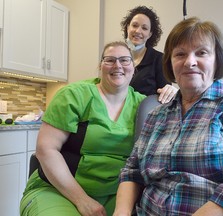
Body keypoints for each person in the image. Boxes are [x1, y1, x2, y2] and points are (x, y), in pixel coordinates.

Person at [113, 17, 223, 215]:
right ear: (170, 63)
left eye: (201, 53)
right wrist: (121, 213)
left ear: (217, 59)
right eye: (180, 54)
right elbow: (132, 172)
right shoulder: (156, 116)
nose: (190, 62)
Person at [20, 41, 146, 216]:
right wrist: (82, 201)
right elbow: (45, 150)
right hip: (59, 190)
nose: (117, 65)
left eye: (125, 60)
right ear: (100, 66)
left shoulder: (144, 105)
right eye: (110, 60)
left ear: (133, 66)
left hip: (116, 195)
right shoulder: (74, 95)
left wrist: (170, 92)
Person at [121, 5, 177, 104]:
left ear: (150, 34)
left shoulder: (159, 59)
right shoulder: (117, 57)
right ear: (127, 28)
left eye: (144, 28)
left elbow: (165, 98)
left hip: (145, 117)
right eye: (134, 25)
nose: (138, 31)